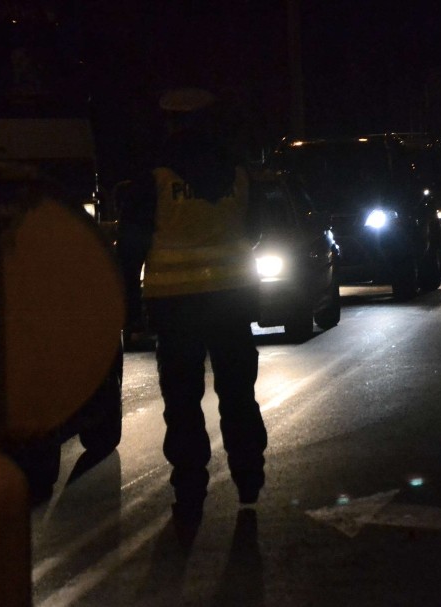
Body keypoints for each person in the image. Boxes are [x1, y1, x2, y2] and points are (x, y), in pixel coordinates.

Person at [116, 87, 267, 541]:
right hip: (232, 301)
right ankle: (248, 477)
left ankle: (189, 490)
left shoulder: (152, 177)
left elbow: (132, 247)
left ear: (168, 124)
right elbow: (255, 231)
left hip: (175, 306)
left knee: (182, 403)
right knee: (238, 392)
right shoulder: (238, 172)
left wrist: (128, 304)